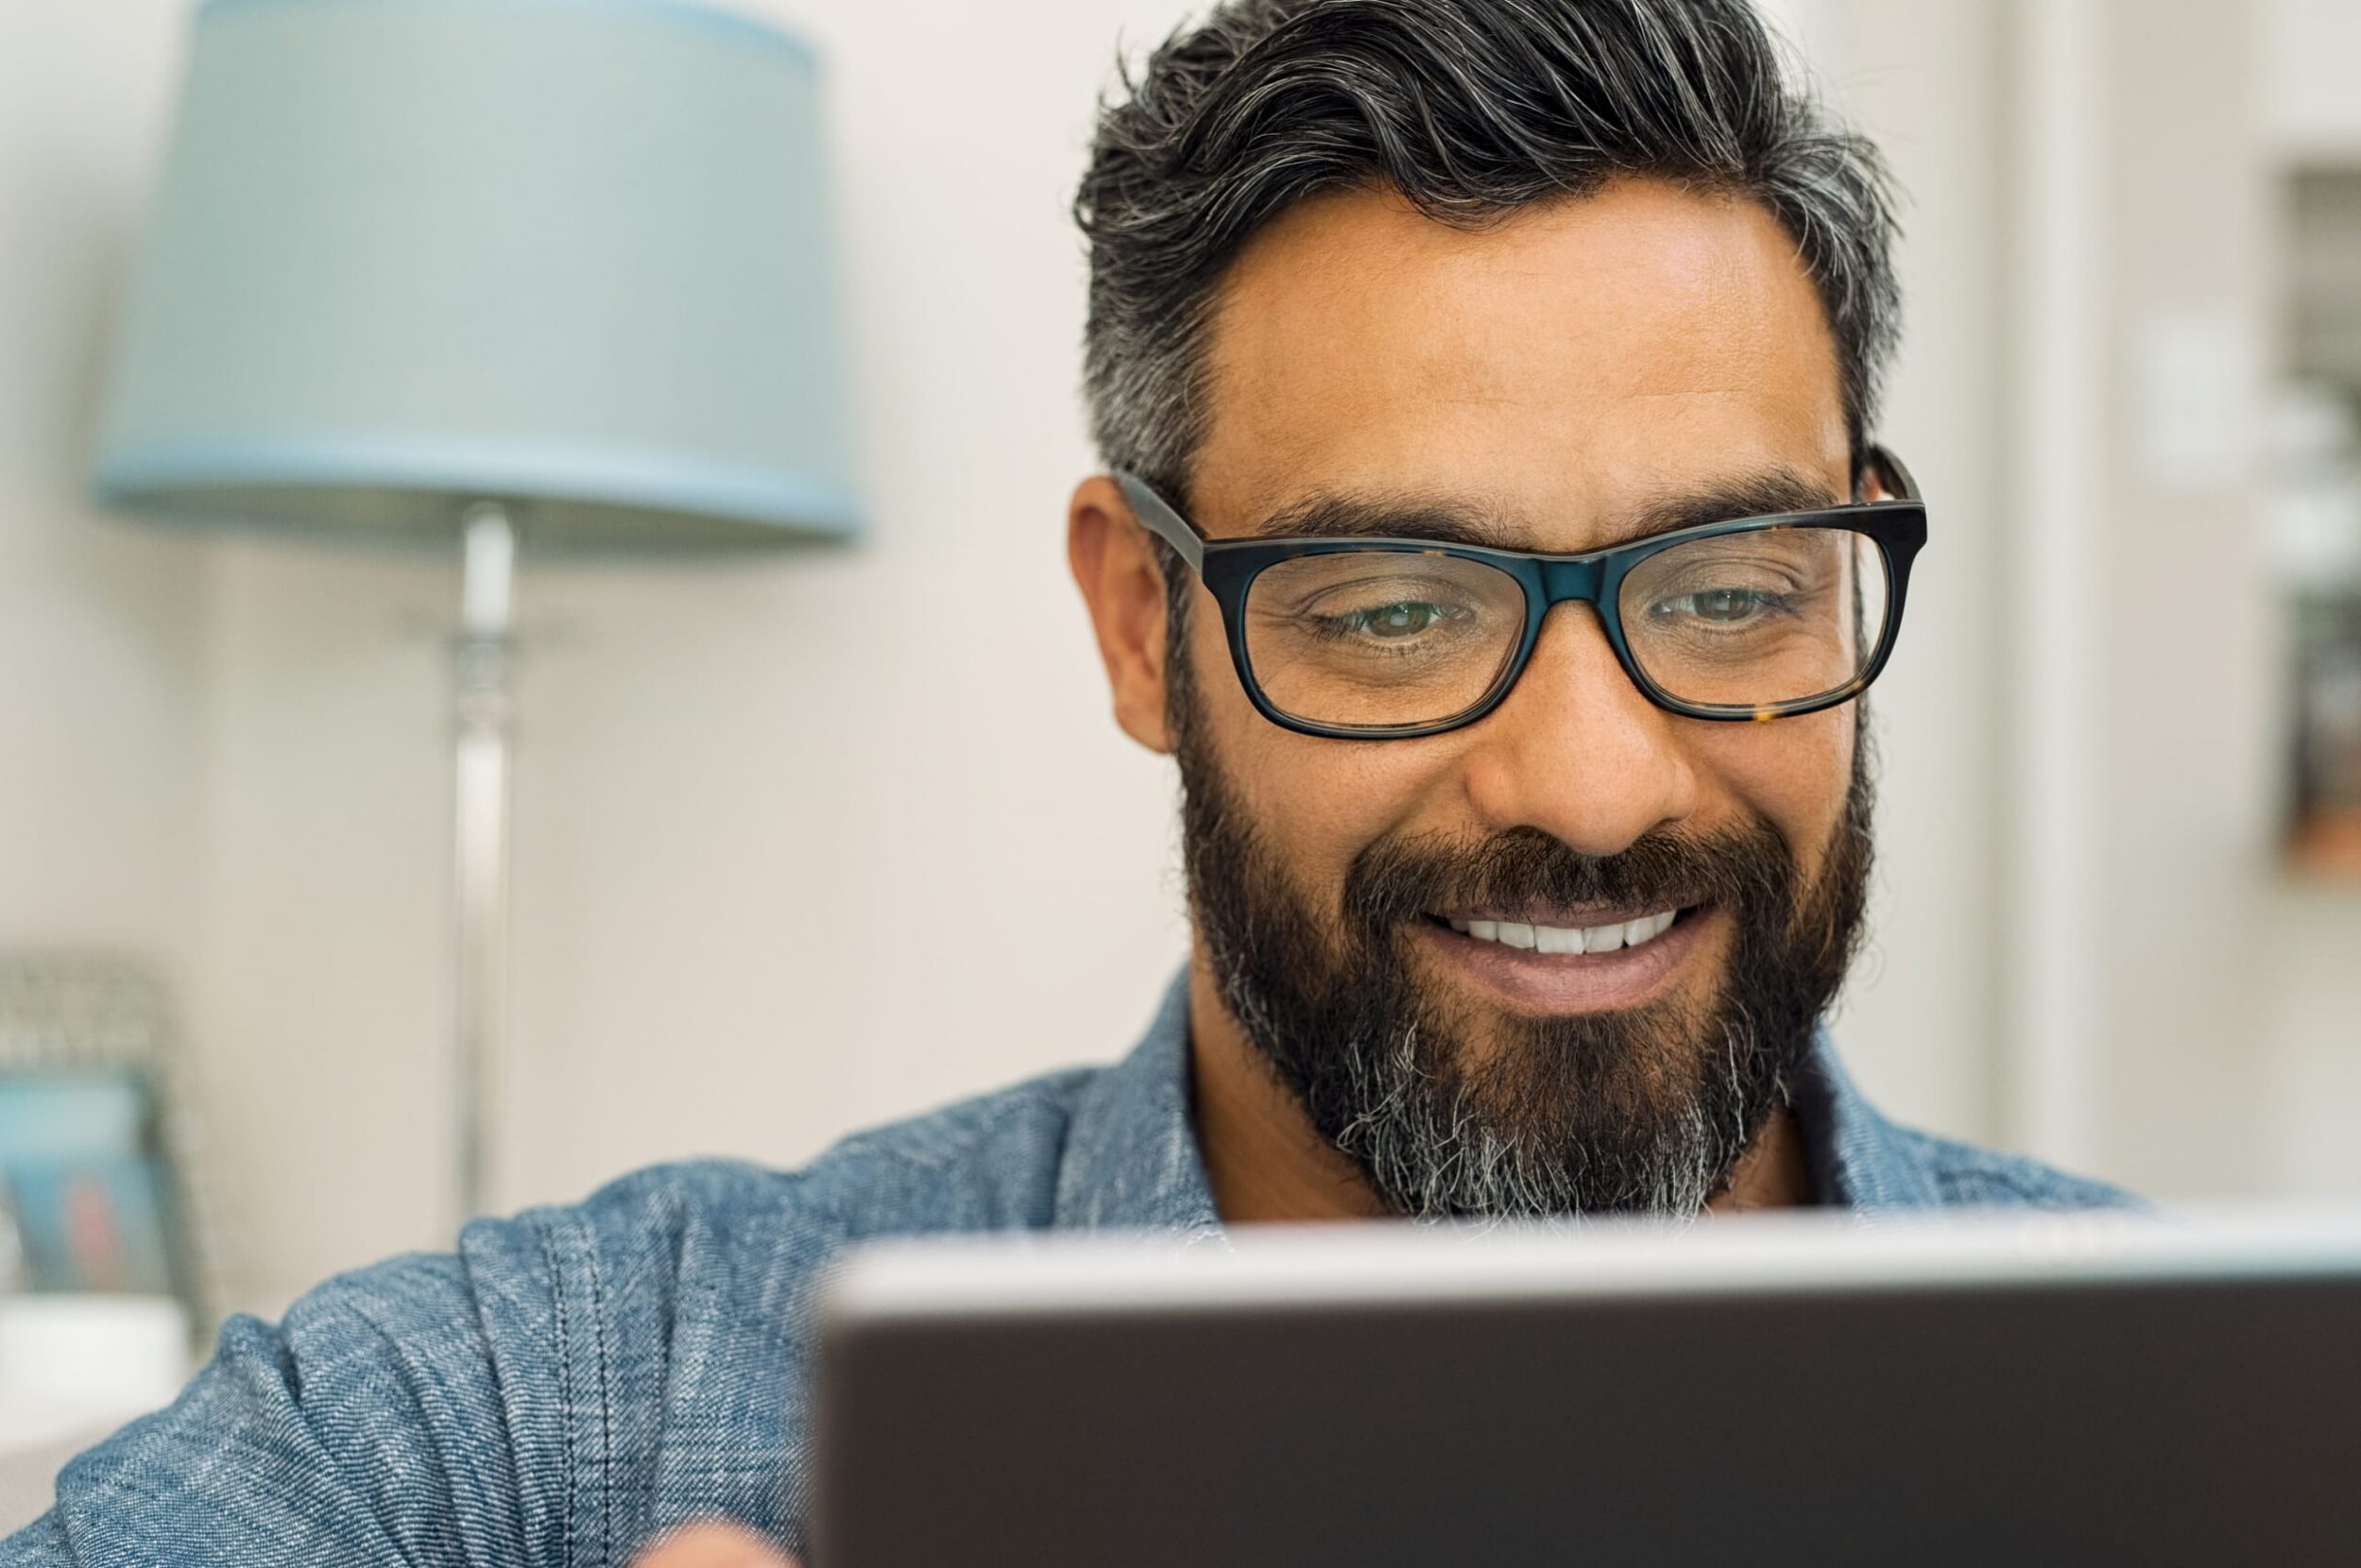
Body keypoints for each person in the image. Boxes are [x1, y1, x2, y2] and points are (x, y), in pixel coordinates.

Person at [4, 2, 2131, 1564]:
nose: (1587, 781)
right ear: (1141, 623)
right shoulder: (534, 1423)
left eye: (1732, 587)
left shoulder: (2228, 1448)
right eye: (1389, 605)